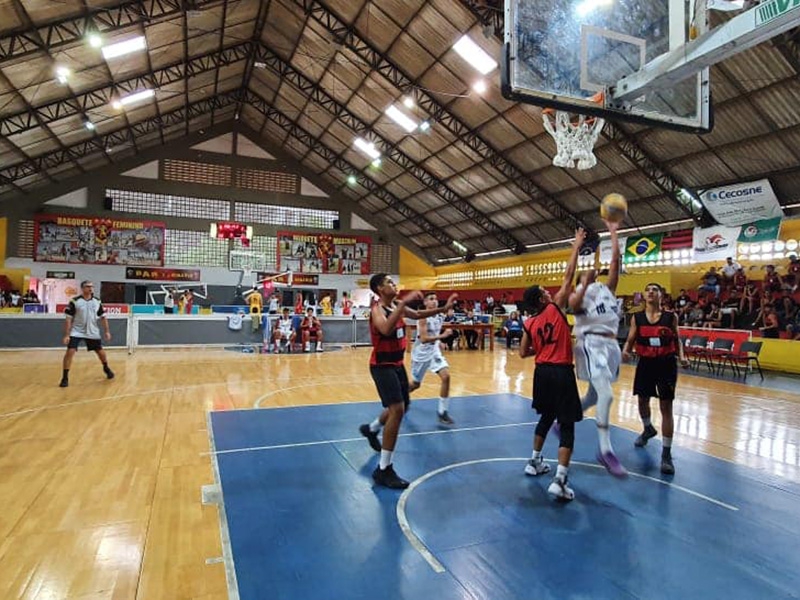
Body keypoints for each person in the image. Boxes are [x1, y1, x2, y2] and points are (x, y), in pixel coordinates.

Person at [358, 274, 456, 489]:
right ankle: (384, 469)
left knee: (401, 406)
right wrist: (402, 304)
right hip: (382, 366)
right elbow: (384, 329)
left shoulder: (395, 305)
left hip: (396, 365)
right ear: (379, 289)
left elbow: (419, 313)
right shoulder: (378, 310)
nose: (394, 285)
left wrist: (442, 308)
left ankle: (372, 429)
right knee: (398, 409)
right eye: (389, 283)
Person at [519, 229, 585, 501]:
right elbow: (569, 275)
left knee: (546, 417)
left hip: (541, 372)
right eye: (545, 291)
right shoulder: (554, 307)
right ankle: (560, 479)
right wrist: (576, 247)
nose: (550, 292)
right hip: (559, 371)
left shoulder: (530, 322)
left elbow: (523, 352)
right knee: (567, 423)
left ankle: (534, 461)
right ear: (542, 299)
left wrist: (542, 346)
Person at [570, 220, 626, 477]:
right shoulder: (578, 293)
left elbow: (615, 262)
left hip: (611, 344)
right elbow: (575, 307)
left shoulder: (607, 289)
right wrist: (584, 279)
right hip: (590, 344)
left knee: (593, 396)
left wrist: (613, 232)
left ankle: (567, 419)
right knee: (606, 395)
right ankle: (605, 451)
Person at [622, 283, 689, 475]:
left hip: (666, 363)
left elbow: (677, 340)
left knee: (666, 407)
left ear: (661, 295)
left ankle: (666, 455)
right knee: (642, 400)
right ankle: (647, 428)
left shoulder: (671, 317)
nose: (650, 292)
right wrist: (626, 350)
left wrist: (682, 357)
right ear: (644, 295)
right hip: (645, 363)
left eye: (654, 289)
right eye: (648, 289)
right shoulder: (637, 317)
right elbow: (631, 338)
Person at [408, 292, 455, 425]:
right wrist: (442, 337)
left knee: (446, 376)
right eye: (431, 299)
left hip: (434, 352)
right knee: (415, 384)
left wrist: (451, 300)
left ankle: (442, 412)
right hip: (421, 354)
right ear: (425, 303)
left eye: (436, 299)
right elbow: (423, 339)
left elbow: (446, 308)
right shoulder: (422, 317)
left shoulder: (439, 314)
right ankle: (402, 396)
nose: (434, 301)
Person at [59, 280, 114, 388]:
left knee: (100, 352)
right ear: (82, 288)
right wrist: (67, 334)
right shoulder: (75, 301)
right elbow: (68, 319)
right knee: (70, 352)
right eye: (88, 286)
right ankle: (65, 377)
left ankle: (106, 367)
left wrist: (107, 331)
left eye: (91, 286)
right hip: (77, 331)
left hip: (92, 331)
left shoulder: (97, 301)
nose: (90, 288)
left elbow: (103, 317)